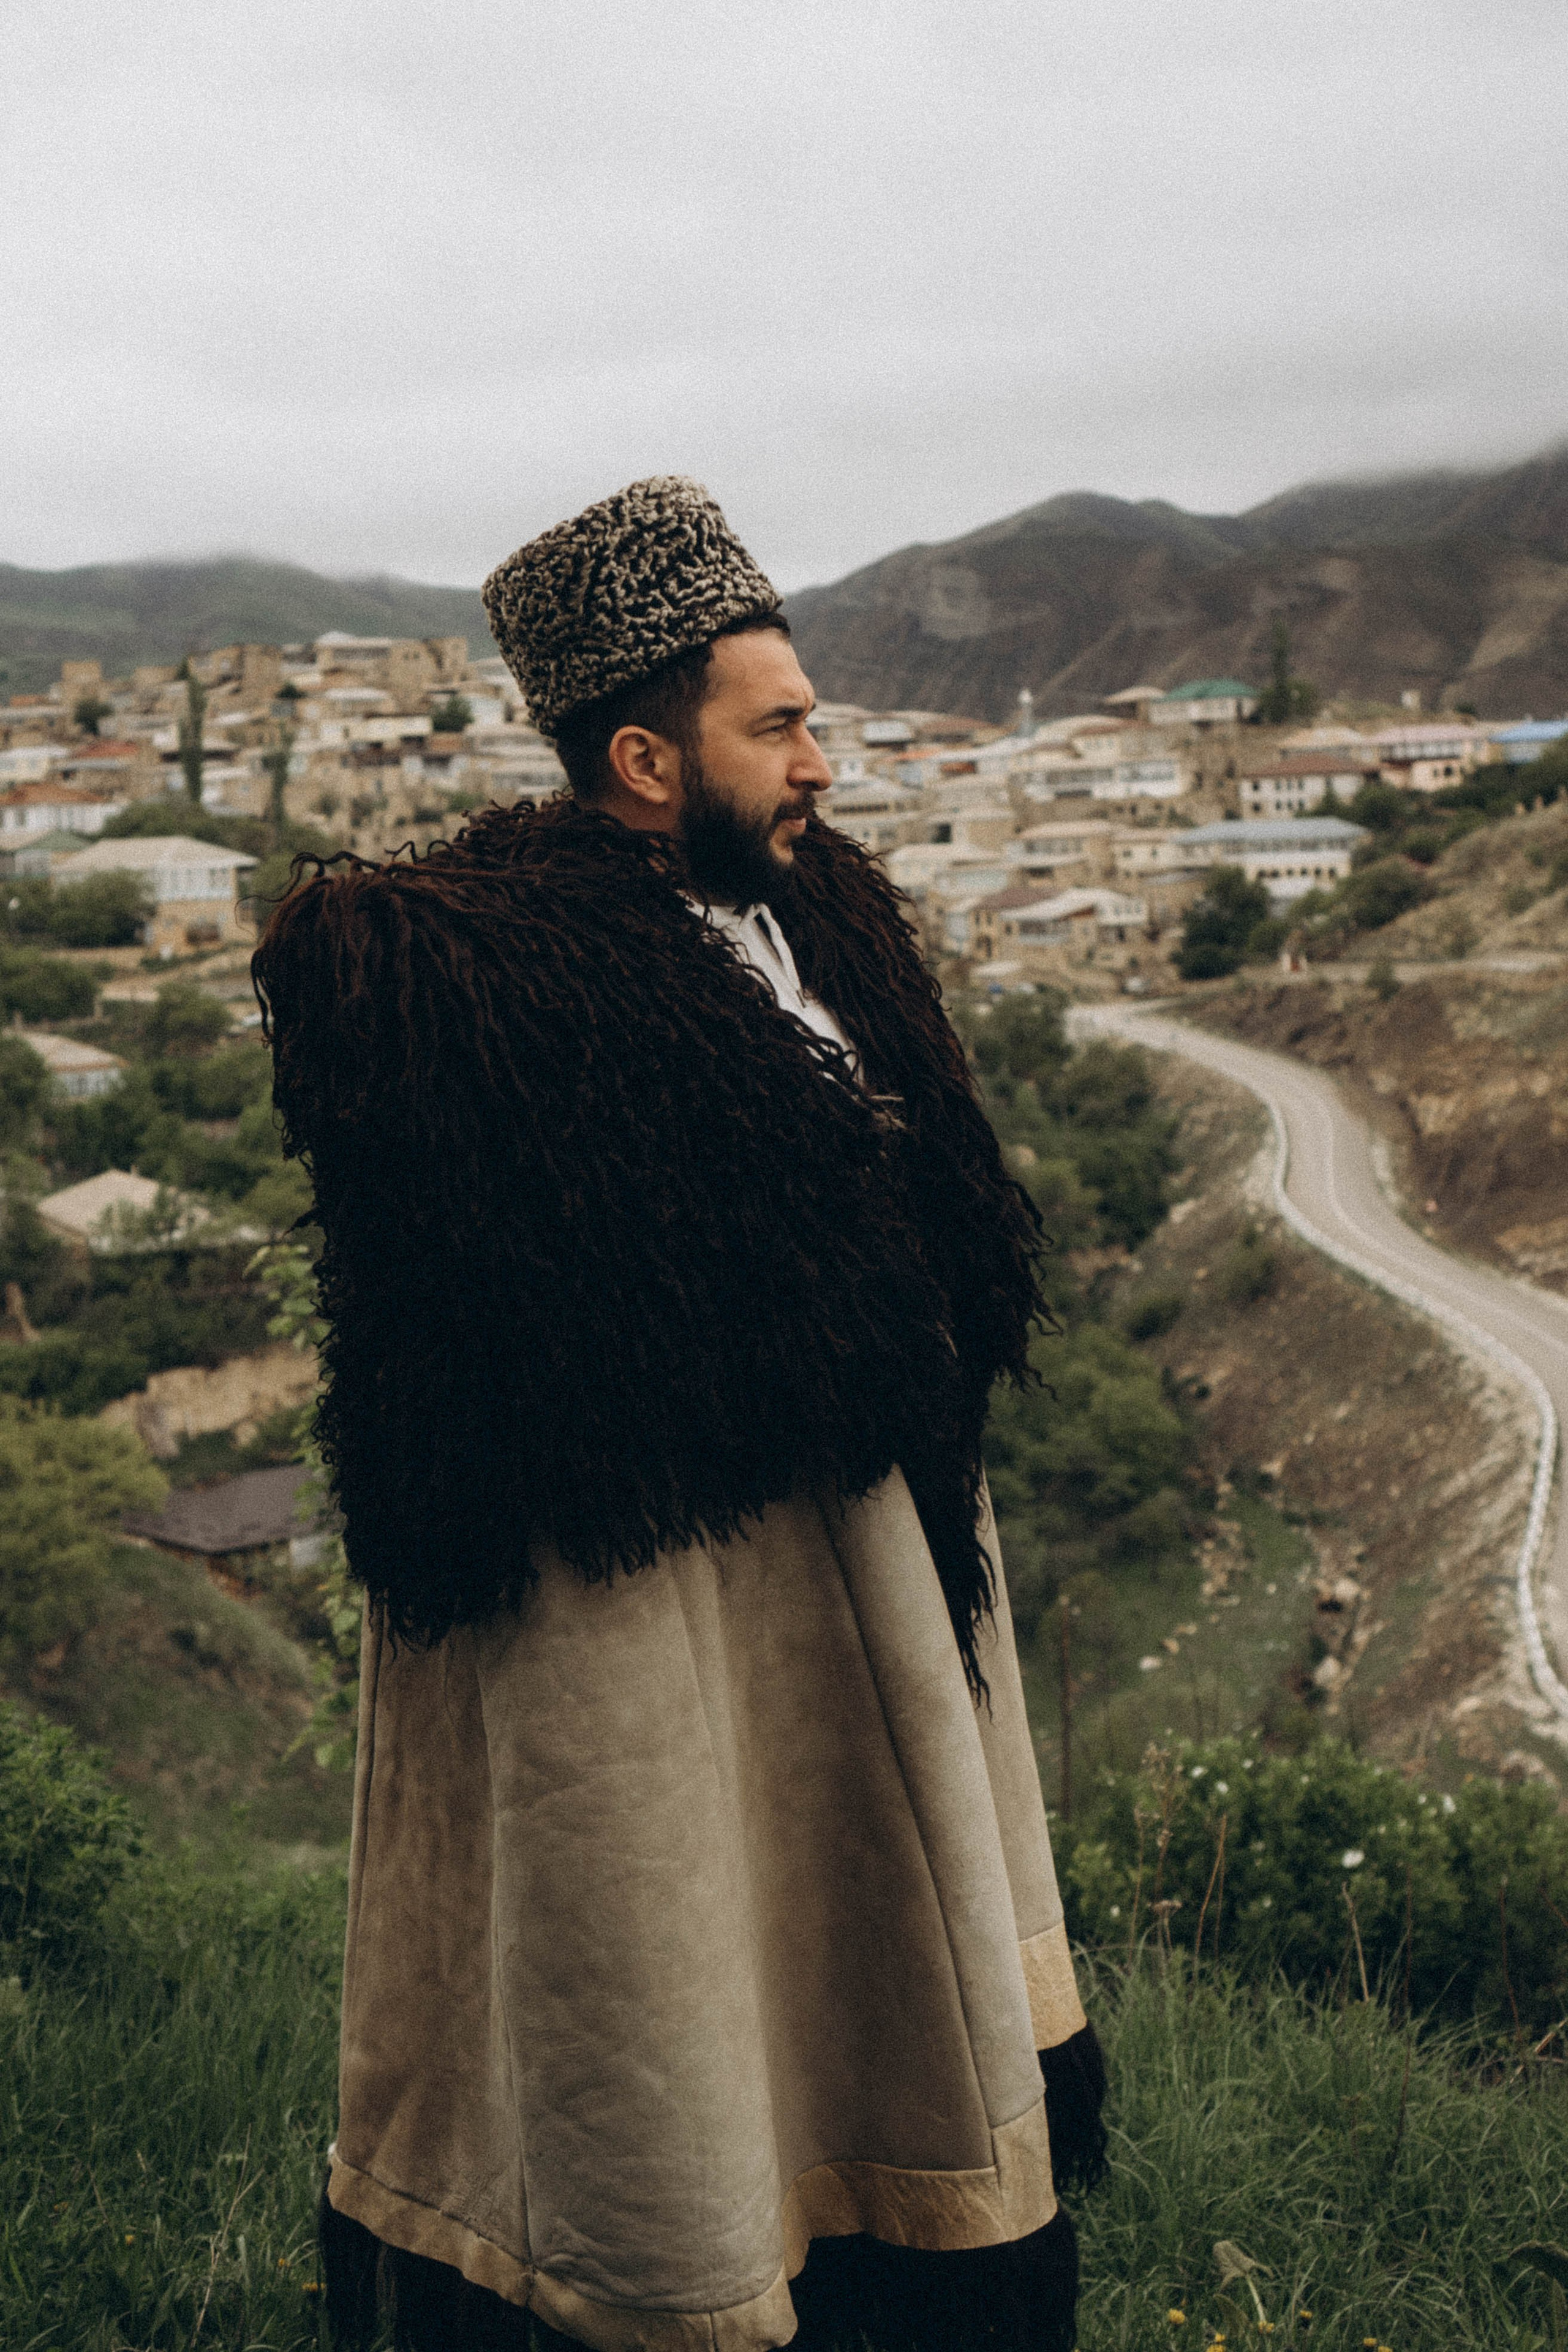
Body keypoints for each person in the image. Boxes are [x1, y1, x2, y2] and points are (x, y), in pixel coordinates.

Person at [252, 478, 1104, 2352]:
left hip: (865, 1589)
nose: (825, 760)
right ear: (646, 761)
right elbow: (544, 1339)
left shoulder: (825, 923)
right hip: (654, 1646)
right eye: (780, 726)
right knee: (662, 2013)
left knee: (868, 1995)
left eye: (815, 717)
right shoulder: (464, 995)